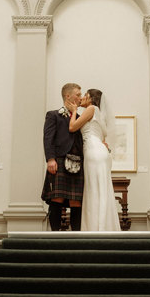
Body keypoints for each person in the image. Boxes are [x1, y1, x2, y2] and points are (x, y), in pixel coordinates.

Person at [69, 89, 121, 232]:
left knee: (93, 189)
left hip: (93, 152)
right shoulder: (98, 113)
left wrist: (74, 111)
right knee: (101, 189)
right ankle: (103, 226)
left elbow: (72, 127)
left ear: (91, 98)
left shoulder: (92, 109)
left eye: (85, 95)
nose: (82, 98)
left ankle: (95, 228)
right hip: (100, 151)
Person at [41, 83, 84, 231]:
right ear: (68, 96)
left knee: (76, 200)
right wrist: (50, 159)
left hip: (78, 162)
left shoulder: (80, 117)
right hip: (59, 159)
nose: (80, 97)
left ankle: (76, 235)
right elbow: (48, 139)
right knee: (57, 197)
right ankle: (55, 234)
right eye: (78, 94)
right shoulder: (53, 115)